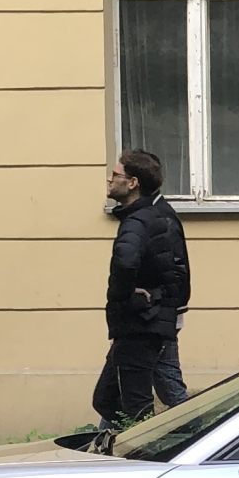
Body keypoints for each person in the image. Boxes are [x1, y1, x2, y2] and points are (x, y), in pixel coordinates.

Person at [93, 148, 191, 425]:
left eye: (115, 174)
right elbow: (175, 268)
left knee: (137, 403)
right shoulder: (159, 213)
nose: (110, 180)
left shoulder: (137, 222)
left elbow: (125, 266)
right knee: (111, 397)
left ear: (133, 182)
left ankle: (151, 451)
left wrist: (125, 302)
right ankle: (110, 447)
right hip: (156, 318)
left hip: (143, 323)